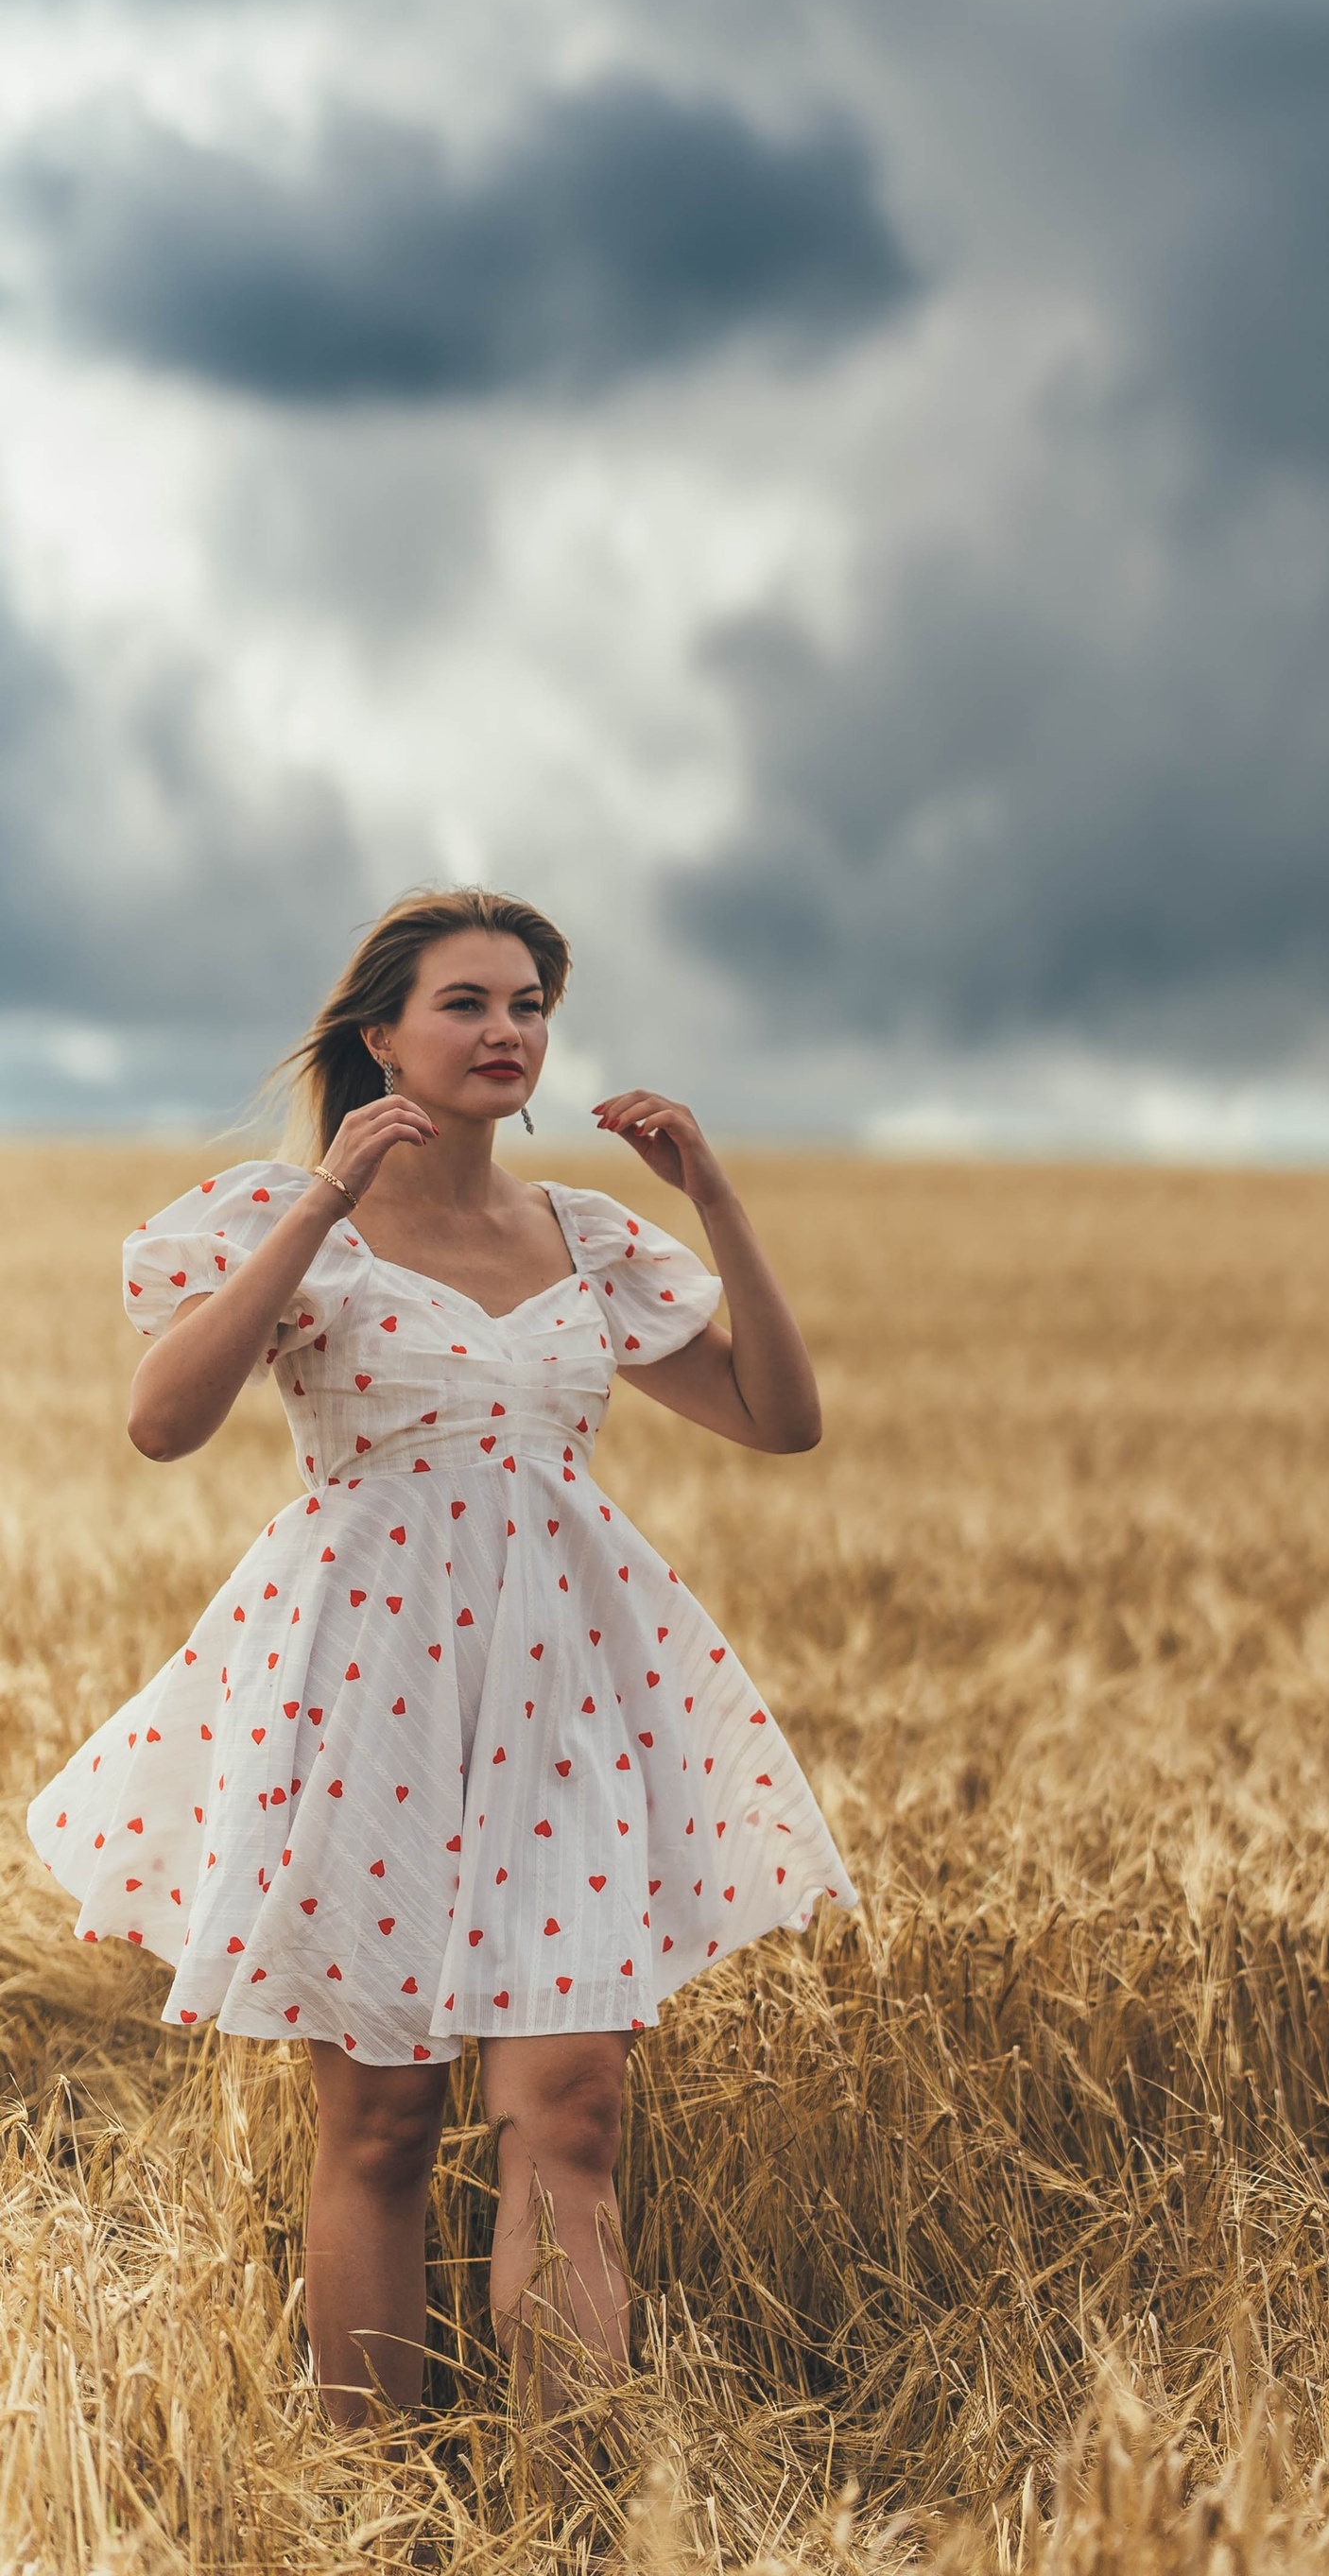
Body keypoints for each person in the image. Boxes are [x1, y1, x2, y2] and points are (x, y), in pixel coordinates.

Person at [25, 885, 856, 2429]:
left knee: (577, 2108)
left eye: (530, 1003)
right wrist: (321, 1204)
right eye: (468, 1002)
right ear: (380, 1036)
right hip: (365, 1681)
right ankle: (375, 2492)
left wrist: (716, 1198)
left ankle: (573, 2498)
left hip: (566, 1678)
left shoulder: (586, 1234)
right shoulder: (288, 1217)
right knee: (389, 2119)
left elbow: (777, 1416)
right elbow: (163, 1421)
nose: (508, 1030)